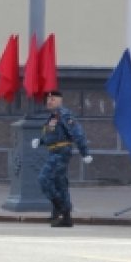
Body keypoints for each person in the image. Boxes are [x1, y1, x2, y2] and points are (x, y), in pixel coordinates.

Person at [31, 90, 92, 227]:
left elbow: (77, 132)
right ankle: (66, 218)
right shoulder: (53, 117)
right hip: (53, 151)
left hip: (61, 152)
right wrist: (40, 141)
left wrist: (85, 152)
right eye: (47, 99)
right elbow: (53, 135)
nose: (49, 101)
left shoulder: (64, 114)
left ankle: (61, 207)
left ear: (60, 100)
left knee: (44, 179)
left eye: (53, 99)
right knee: (60, 184)